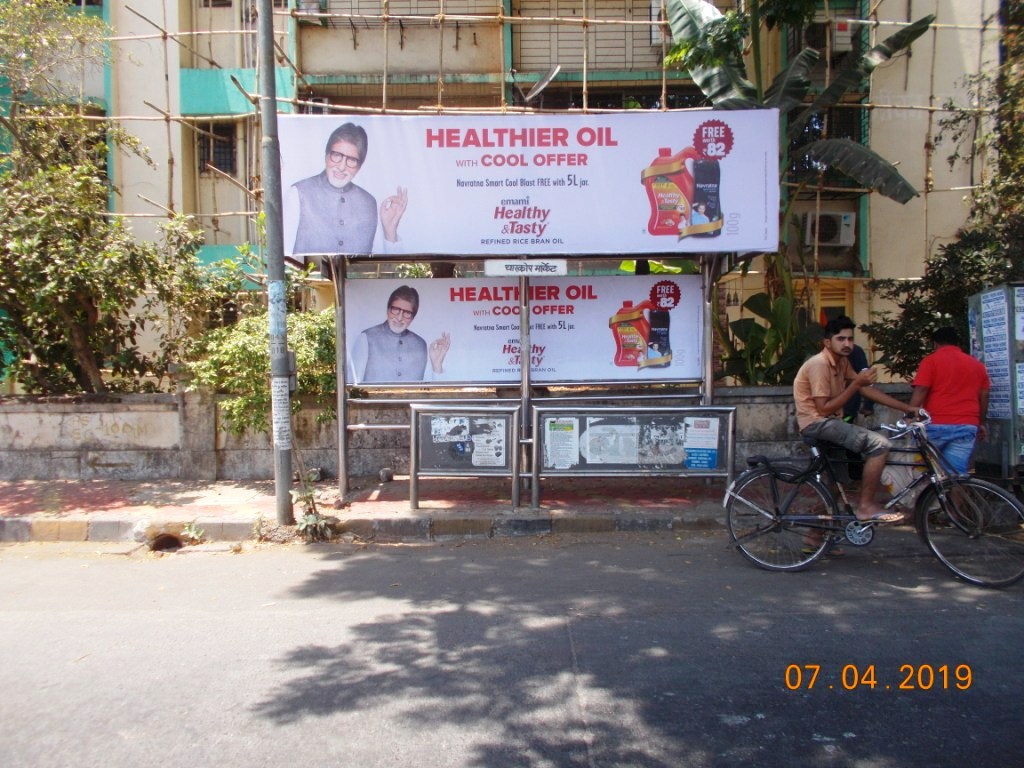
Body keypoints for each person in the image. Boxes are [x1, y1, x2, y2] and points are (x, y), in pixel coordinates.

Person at [793, 316, 916, 524]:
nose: (847, 344)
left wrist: (908, 408)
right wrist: (856, 384)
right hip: (817, 424)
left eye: (850, 339)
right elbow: (823, 409)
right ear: (827, 342)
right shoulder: (819, 364)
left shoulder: (842, 363)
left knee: (836, 486)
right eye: (841, 339)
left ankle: (814, 537)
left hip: (832, 424)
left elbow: (866, 390)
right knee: (880, 444)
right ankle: (866, 506)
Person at [285, 122, 408, 256]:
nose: (342, 167)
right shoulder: (298, 193)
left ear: (359, 166)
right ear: (326, 155)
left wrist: (390, 231)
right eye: (337, 155)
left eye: (351, 160)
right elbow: (282, 257)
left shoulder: (369, 203)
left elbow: (385, 267)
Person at [908, 326, 990, 476]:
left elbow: (921, 390)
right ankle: (954, 500)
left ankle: (925, 499)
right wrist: (981, 423)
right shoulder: (977, 366)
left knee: (921, 472)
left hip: (935, 425)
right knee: (956, 476)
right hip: (967, 426)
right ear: (957, 343)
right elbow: (984, 396)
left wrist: (908, 415)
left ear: (935, 344)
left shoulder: (930, 361)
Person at [350, 285, 450, 383]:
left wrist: (437, 365)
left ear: (412, 318)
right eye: (396, 310)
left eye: (407, 313)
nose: (399, 318)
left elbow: (429, 391)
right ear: (388, 310)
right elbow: (352, 384)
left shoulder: (421, 344)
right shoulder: (366, 338)